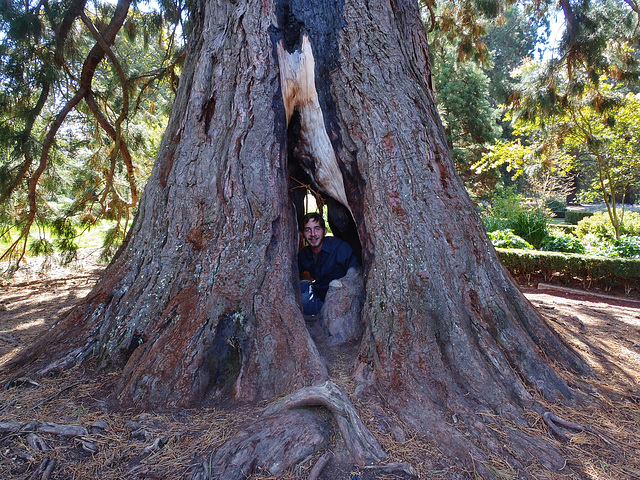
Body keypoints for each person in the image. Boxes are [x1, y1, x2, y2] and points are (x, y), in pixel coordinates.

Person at [298, 212, 360, 315]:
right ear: (302, 234)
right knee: (299, 286)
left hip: (337, 301)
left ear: (325, 231)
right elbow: (292, 275)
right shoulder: (304, 254)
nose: (313, 234)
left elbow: (356, 274)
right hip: (318, 293)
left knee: (303, 301)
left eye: (317, 228)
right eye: (308, 230)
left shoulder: (339, 248)